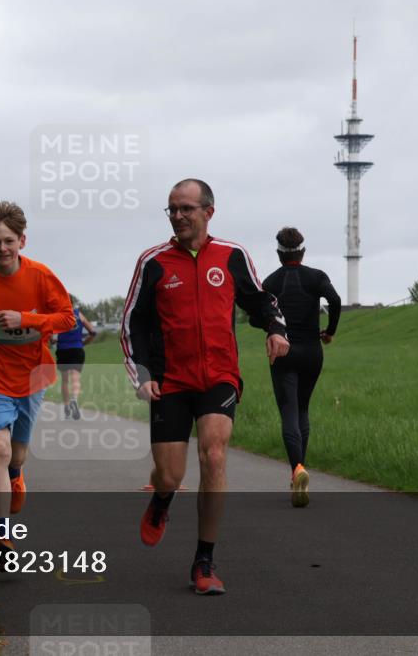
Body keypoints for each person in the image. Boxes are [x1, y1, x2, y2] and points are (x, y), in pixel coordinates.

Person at [121, 178, 289, 595]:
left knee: (213, 454)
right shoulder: (153, 262)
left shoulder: (232, 256)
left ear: (208, 212)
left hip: (219, 376)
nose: (178, 216)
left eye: (186, 209)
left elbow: (259, 299)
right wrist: (142, 376)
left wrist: (275, 328)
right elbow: (132, 325)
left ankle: (204, 561)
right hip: (170, 381)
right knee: (171, 474)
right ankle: (162, 499)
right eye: (172, 209)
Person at [0, 201, 75, 553]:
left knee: (17, 456)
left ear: (22, 241)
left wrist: (27, 319)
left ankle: (16, 474)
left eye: (9, 241)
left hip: (31, 376)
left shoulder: (41, 275)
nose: (3, 249)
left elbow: (66, 319)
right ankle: (3, 535)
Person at [262, 227, 341, 508]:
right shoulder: (316, 277)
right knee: (303, 409)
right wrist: (329, 330)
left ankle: (297, 469)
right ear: (303, 251)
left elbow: (256, 315)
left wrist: (271, 329)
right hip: (312, 352)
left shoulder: (270, 281)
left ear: (278, 254)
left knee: (289, 412)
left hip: (283, 352)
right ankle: (299, 471)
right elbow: (335, 300)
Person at [54, 302, 97, 420]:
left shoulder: (57, 315)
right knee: (76, 377)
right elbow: (93, 332)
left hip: (62, 350)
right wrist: (83, 343)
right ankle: (74, 399)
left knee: (65, 380)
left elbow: (51, 337)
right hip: (77, 348)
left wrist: (54, 341)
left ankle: (67, 407)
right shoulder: (78, 314)